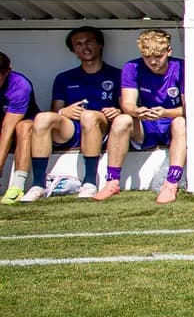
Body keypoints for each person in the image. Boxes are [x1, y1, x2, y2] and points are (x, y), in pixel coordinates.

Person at [17, 27, 120, 200]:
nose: (84, 47)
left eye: (89, 42)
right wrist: (63, 111)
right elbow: (55, 111)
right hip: (72, 129)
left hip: (101, 128)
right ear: (73, 50)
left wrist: (117, 110)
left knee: (88, 116)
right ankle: (38, 184)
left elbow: (128, 106)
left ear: (100, 45)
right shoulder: (64, 78)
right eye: (78, 44)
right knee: (42, 118)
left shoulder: (117, 74)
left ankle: (89, 182)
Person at [91, 30, 187, 204]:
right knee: (122, 120)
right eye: (147, 57)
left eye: (158, 56)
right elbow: (127, 104)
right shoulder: (132, 67)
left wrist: (165, 112)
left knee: (181, 122)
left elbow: (189, 110)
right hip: (147, 122)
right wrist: (137, 111)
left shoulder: (181, 67)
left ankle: (171, 184)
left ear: (169, 51)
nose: (153, 62)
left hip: (172, 120)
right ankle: (112, 182)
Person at [0, 53, 41, 202]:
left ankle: (17, 186)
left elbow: (7, 129)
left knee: (23, 127)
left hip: (23, 129)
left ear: (8, 70)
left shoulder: (20, 85)